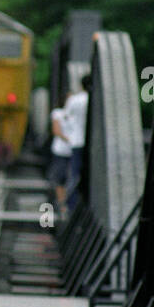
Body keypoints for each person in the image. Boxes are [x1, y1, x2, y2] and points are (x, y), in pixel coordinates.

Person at [63, 75, 90, 212]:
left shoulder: (75, 99)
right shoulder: (94, 100)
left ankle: (72, 206)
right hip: (91, 144)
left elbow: (66, 117)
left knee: (74, 174)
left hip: (77, 141)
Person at [48, 100, 72, 214]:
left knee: (69, 178)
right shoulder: (57, 113)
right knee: (60, 178)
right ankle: (61, 204)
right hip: (61, 151)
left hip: (72, 151)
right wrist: (69, 140)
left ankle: (67, 204)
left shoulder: (73, 113)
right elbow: (56, 130)